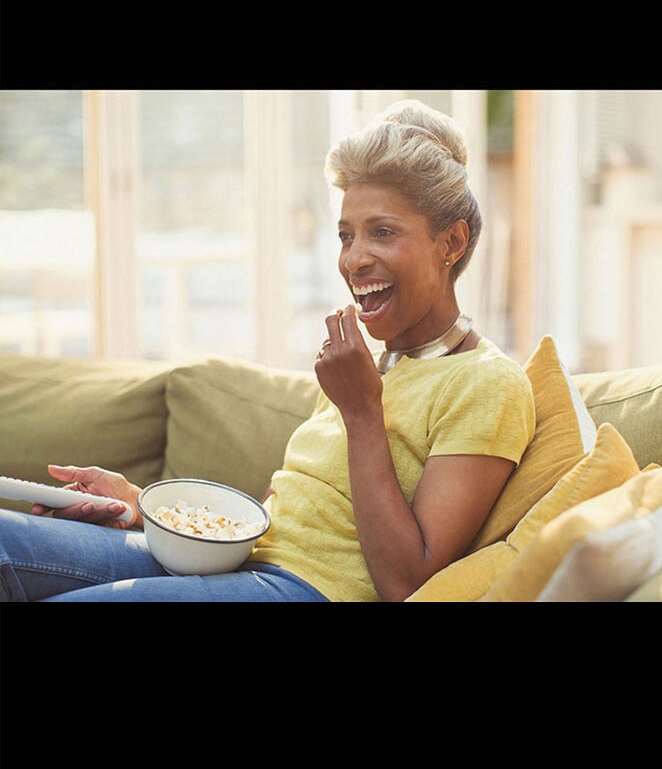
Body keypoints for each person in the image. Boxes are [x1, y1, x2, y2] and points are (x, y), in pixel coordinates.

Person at [0, 100, 535, 602]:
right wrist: (147, 509)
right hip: (241, 569)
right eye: (346, 235)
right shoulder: (371, 369)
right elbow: (285, 521)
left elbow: (405, 582)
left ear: (452, 243)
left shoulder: (486, 383)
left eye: (384, 232)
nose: (355, 260)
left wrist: (360, 408)